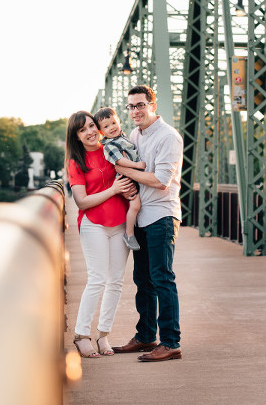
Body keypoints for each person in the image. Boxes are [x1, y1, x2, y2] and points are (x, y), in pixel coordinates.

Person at [111, 84, 184, 362]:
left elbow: (161, 181)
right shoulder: (134, 135)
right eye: (131, 106)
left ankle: (170, 342)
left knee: (162, 278)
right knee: (142, 279)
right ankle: (145, 336)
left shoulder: (169, 137)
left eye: (140, 105)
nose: (135, 111)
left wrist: (123, 169)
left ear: (153, 105)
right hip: (141, 215)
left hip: (162, 215)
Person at [65, 110, 135, 358]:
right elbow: (82, 202)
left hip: (120, 223)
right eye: (83, 130)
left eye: (92, 126)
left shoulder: (113, 150)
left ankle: (104, 334)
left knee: (116, 281)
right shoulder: (76, 162)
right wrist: (115, 189)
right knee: (97, 279)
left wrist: (127, 190)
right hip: (93, 224)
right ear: (77, 137)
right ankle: (81, 335)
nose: (90, 132)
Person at [93, 107, 145, 252]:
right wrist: (136, 164)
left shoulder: (123, 138)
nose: (112, 127)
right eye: (106, 126)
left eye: (113, 123)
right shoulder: (109, 146)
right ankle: (129, 234)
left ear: (119, 122)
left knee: (136, 204)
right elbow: (120, 161)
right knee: (135, 205)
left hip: (132, 176)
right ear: (101, 132)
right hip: (125, 179)